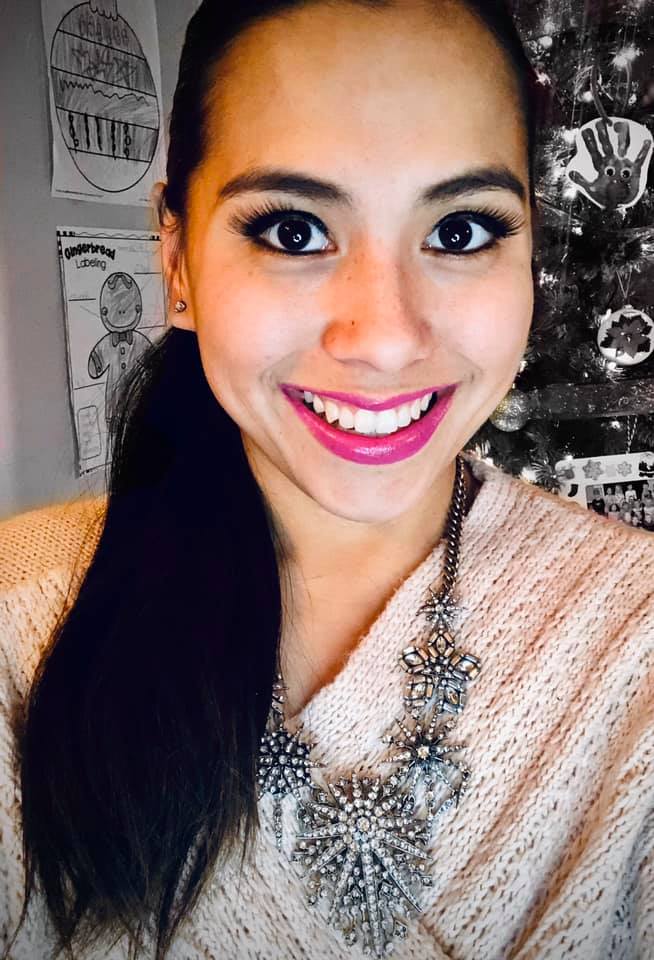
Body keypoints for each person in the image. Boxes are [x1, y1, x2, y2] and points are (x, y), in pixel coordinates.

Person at [0, 2, 652, 959]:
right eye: (295, 231)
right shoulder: (19, 619)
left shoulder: (636, 634)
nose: (385, 339)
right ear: (177, 261)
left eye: (461, 231)